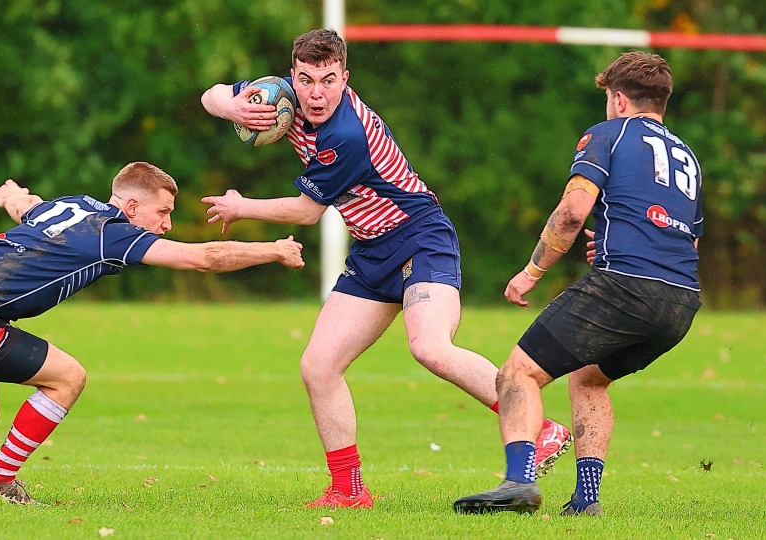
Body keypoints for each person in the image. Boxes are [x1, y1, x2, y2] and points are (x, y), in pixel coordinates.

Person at [200, 29, 572, 509]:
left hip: (420, 238)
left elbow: (308, 212)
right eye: (307, 79)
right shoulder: (280, 96)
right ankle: (348, 489)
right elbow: (211, 95)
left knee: (431, 347)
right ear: (292, 75)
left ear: (345, 78)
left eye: (329, 81)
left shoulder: (345, 134)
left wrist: (241, 205)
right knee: (318, 366)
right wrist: (231, 107)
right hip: (372, 251)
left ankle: (540, 429)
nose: (316, 94)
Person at [0, 162, 304, 505]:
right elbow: (203, 258)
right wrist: (273, 250)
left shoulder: (74, 205)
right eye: (162, 212)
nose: (166, 224)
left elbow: (29, 210)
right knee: (68, 378)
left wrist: (14, 195)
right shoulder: (112, 232)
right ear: (131, 207)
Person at [453, 51, 703, 516]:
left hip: (624, 288)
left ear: (620, 99)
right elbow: (680, 239)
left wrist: (532, 273)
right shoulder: (687, 156)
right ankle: (586, 501)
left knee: (518, 373)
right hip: (681, 301)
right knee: (589, 380)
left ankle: (519, 483)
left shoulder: (608, 134)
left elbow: (571, 213)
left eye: (609, 98)